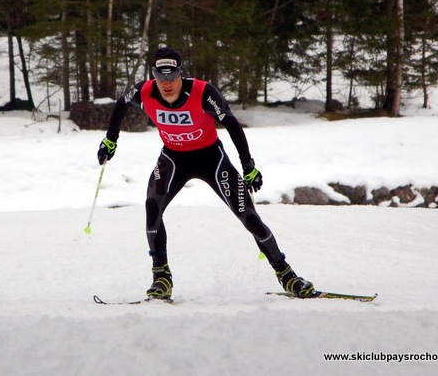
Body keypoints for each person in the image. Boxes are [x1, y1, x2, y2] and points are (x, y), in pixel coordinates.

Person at [96, 46, 314, 300]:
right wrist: (111, 140)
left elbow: (231, 123)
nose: (166, 83)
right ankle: (161, 278)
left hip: (211, 158)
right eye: (160, 76)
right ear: (153, 74)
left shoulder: (201, 92)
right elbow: (121, 105)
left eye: (172, 75)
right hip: (173, 158)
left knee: (249, 217)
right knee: (152, 207)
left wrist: (248, 166)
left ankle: (287, 275)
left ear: (180, 73)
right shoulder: (143, 91)